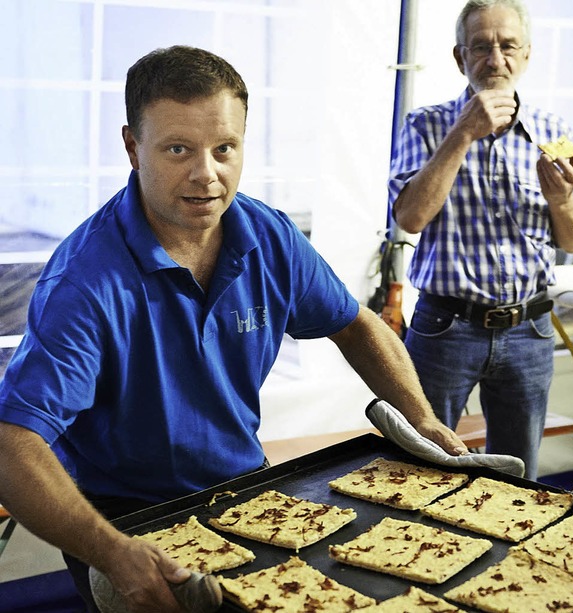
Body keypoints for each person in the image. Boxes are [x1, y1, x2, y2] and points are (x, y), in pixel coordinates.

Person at [0, 45, 467, 613]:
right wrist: (113, 552)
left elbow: (358, 325)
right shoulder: (86, 282)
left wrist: (420, 419)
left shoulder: (268, 235)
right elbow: (11, 443)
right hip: (125, 515)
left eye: (225, 149)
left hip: (247, 488)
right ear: (132, 147)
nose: (207, 174)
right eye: (178, 149)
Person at [388, 0, 573, 481]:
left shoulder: (553, 131)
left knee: (519, 477)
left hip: (531, 330)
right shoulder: (426, 124)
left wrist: (562, 200)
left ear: (526, 55)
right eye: (481, 47)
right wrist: (463, 134)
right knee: (423, 468)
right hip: (445, 328)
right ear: (460, 58)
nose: (495, 59)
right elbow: (410, 219)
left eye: (507, 46)